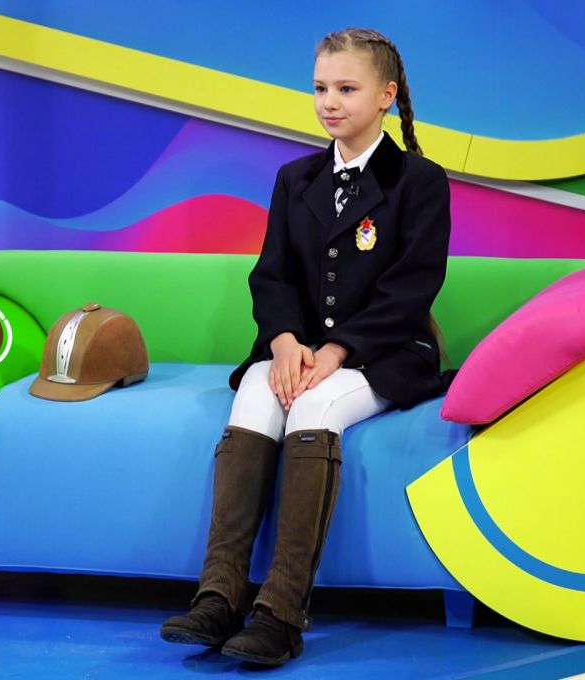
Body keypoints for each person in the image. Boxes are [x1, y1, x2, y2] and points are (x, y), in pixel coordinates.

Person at [160, 27, 452, 667]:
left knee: (315, 407)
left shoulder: (420, 181)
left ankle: (282, 613)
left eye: (346, 88)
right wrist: (285, 340)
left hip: (386, 351)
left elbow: (413, 285)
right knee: (256, 396)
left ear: (386, 95)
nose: (329, 102)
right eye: (320, 88)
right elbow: (273, 276)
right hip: (301, 346)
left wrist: (340, 349)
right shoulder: (295, 178)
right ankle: (219, 595)